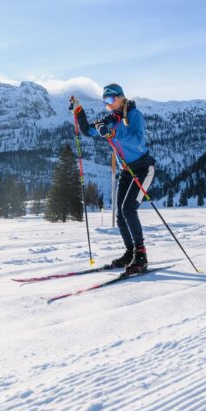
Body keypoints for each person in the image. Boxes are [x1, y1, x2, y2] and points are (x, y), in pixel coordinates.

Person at [69, 83, 156, 274]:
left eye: (110, 100)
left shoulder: (134, 115)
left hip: (143, 167)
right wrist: (79, 111)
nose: (107, 105)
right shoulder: (110, 119)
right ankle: (130, 252)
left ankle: (141, 256)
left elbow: (138, 141)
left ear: (120, 98)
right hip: (127, 170)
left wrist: (114, 132)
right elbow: (87, 131)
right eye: (104, 102)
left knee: (128, 208)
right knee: (120, 214)